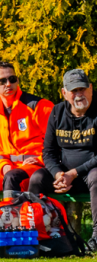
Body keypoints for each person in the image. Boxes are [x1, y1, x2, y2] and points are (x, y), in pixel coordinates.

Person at [33, 69, 97, 252]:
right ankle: (38, 236)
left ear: (91, 89)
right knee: (37, 178)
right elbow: (48, 152)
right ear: (64, 93)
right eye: (74, 91)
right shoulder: (57, 112)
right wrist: (58, 174)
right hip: (70, 176)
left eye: (82, 89)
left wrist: (73, 173)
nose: (79, 94)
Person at [0, 61, 54, 196]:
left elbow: (59, 142)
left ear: (17, 80)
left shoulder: (40, 106)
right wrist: (4, 165)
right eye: (2, 81)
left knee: (12, 177)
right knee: (10, 175)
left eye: (12, 79)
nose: (8, 84)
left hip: (36, 167)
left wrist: (40, 159)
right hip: (7, 167)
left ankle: (12, 217)